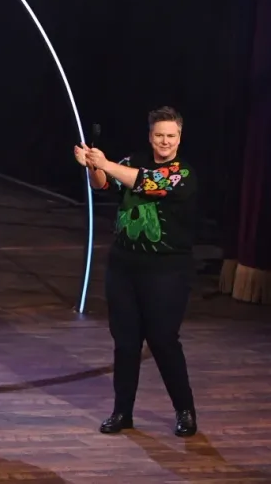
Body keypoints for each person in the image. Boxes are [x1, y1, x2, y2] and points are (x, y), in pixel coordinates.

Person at [74, 106, 199, 437]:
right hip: (124, 267)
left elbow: (146, 183)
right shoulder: (130, 161)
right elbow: (103, 185)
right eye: (159, 135)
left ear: (179, 138)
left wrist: (106, 165)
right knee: (125, 343)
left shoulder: (181, 173)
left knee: (162, 340)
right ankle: (122, 412)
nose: (164, 141)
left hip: (166, 271)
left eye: (171, 136)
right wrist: (92, 165)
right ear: (150, 136)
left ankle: (184, 410)